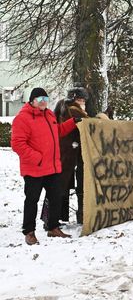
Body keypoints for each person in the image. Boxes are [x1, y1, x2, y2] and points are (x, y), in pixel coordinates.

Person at [11, 88, 79, 245]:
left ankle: (53, 227)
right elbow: (17, 144)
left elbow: (58, 132)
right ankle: (29, 232)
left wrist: (72, 122)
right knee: (32, 200)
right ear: (32, 100)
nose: (43, 101)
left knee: (55, 197)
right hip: (34, 168)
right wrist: (37, 158)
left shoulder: (49, 115)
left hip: (51, 168)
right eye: (39, 98)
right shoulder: (23, 118)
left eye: (45, 98)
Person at [42, 87, 89, 226]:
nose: (82, 102)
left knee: (59, 185)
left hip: (63, 150)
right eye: (80, 99)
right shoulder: (73, 109)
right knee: (61, 185)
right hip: (70, 151)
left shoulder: (61, 105)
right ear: (74, 99)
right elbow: (86, 122)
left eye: (83, 100)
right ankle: (52, 220)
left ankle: (51, 218)